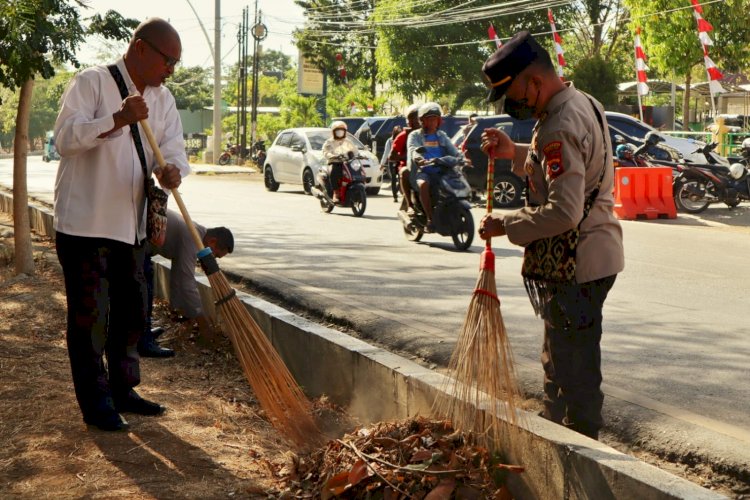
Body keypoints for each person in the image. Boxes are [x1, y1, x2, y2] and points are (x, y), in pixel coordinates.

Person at [477, 30, 624, 440]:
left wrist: (507, 224)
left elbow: (563, 210)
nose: (515, 107)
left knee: (571, 369)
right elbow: (564, 167)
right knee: (563, 357)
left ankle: (579, 448)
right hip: (595, 254)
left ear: (534, 82)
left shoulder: (558, 123)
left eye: (515, 96)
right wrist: (514, 152)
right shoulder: (582, 102)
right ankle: (561, 431)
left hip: (578, 261)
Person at [53, 18, 189, 432]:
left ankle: (123, 389)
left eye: (176, 64)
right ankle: (96, 404)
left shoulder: (164, 100)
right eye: (168, 60)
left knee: (131, 314)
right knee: (90, 318)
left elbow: (174, 152)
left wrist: (173, 172)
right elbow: (65, 139)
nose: (171, 70)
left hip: (132, 227)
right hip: (85, 223)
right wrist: (117, 119)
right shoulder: (92, 82)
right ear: (141, 48)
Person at [140, 210, 234, 357]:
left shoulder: (196, 232)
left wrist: (177, 308)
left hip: (142, 243)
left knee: (147, 285)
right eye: (215, 254)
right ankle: (143, 341)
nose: (213, 258)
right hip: (136, 240)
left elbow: (177, 276)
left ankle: (144, 331)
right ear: (212, 241)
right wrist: (201, 320)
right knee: (143, 289)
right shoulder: (192, 237)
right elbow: (186, 281)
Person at [406, 102, 461, 232]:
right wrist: (418, 159)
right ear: (422, 121)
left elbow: (453, 150)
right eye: (429, 119)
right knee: (423, 184)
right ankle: (430, 218)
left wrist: (462, 158)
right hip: (423, 171)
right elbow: (413, 149)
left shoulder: (442, 135)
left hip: (441, 170)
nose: (432, 122)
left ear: (439, 121)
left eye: (434, 119)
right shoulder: (414, 135)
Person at [390, 104, 420, 212]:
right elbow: (391, 156)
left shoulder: (432, 134)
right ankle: (410, 204)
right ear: (410, 120)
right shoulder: (404, 135)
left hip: (427, 166)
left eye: (419, 118)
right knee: (405, 172)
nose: (418, 121)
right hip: (410, 166)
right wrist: (407, 156)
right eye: (414, 119)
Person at [322, 120, 359, 203]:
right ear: (333, 132)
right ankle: (335, 193)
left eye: (342, 130)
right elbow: (325, 152)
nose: (340, 132)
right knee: (334, 172)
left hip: (347, 163)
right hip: (334, 162)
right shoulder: (329, 142)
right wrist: (332, 156)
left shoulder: (348, 141)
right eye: (338, 130)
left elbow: (355, 150)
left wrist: (358, 155)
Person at [380, 125, 402, 202]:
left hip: (399, 161)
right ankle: (395, 196)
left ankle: (397, 190)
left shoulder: (402, 140)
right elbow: (386, 153)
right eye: (397, 133)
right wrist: (382, 164)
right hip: (391, 162)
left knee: (400, 178)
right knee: (393, 178)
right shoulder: (389, 141)